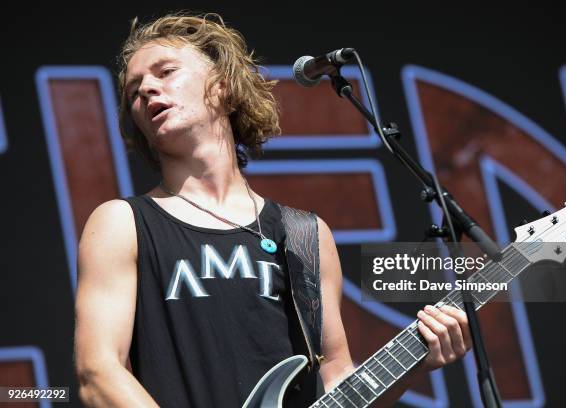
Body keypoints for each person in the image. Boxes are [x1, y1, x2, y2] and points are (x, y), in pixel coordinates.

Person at [74, 13, 472, 407]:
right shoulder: (121, 223)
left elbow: (338, 381)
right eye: (134, 90)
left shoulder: (306, 234)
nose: (146, 90)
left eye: (165, 72)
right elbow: (98, 373)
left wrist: (417, 366)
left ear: (224, 87)